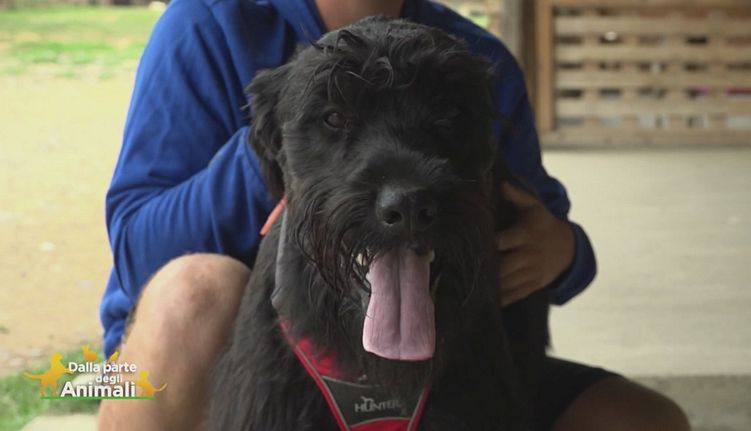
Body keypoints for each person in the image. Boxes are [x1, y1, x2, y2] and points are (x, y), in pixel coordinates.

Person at [97, 0, 691, 429]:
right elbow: (138, 251)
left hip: (441, 353)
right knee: (193, 286)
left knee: (645, 419)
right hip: (217, 350)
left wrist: (565, 249)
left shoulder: (475, 60)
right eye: (336, 119)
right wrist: (288, 130)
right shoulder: (206, 24)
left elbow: (543, 231)